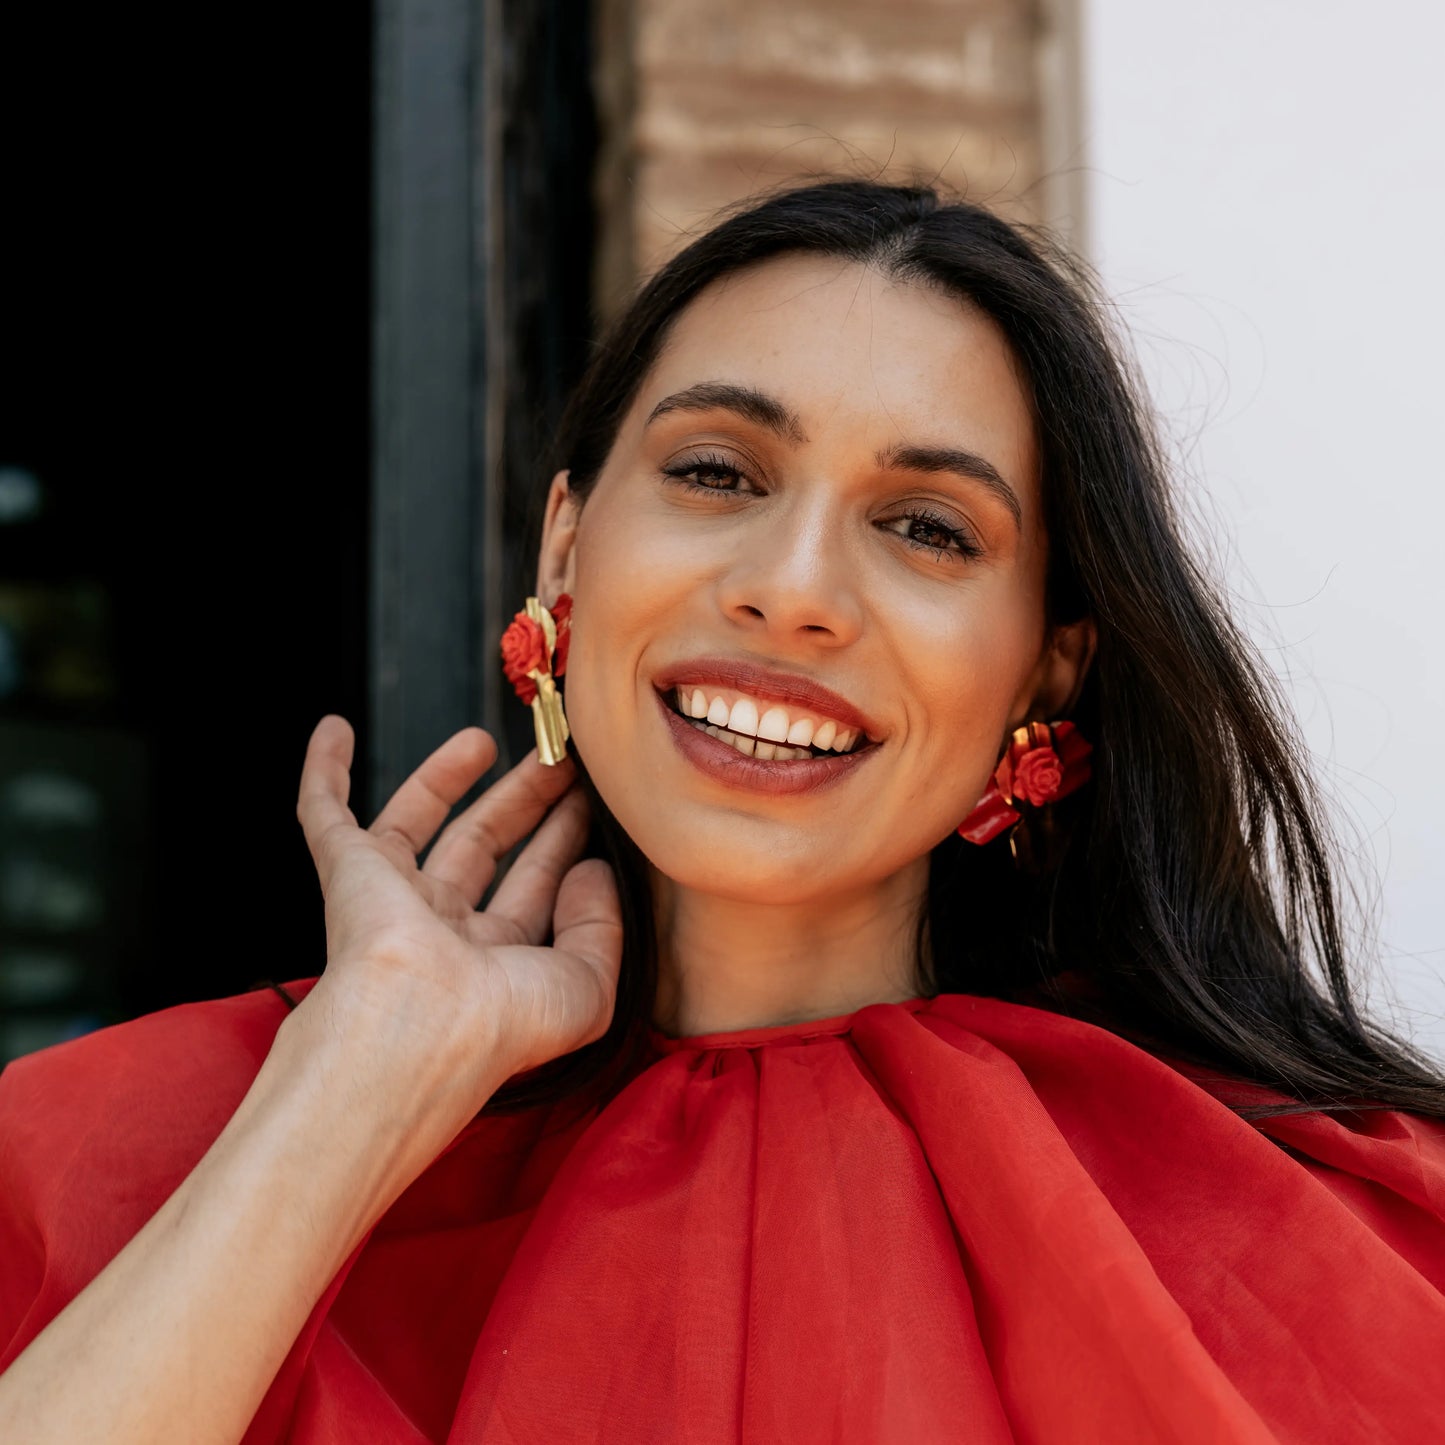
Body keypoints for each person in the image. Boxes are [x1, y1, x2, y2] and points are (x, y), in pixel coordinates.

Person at [1, 177, 1443, 1444]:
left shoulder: (1329, 1222)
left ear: (1048, 658)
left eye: (926, 526)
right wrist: (355, 1075)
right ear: (567, 546)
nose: (793, 587)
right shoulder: (136, 1149)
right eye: (713, 472)